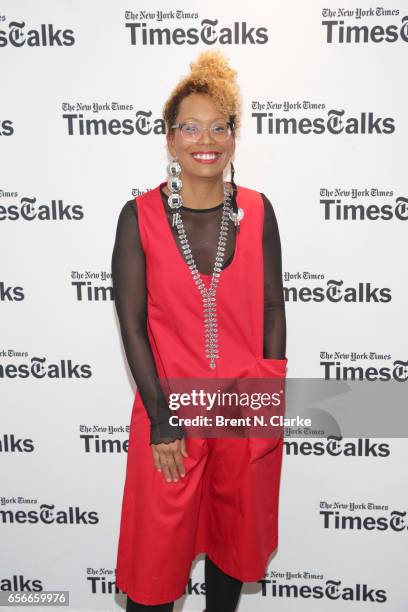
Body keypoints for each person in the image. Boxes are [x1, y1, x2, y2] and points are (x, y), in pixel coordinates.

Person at [112, 49, 287, 612]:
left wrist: (267, 400)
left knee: (232, 553)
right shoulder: (137, 215)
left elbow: (273, 306)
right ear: (169, 138)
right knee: (154, 572)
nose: (203, 139)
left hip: (243, 409)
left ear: (234, 137)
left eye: (218, 126)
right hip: (171, 414)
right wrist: (163, 420)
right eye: (189, 127)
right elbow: (132, 324)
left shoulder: (259, 211)